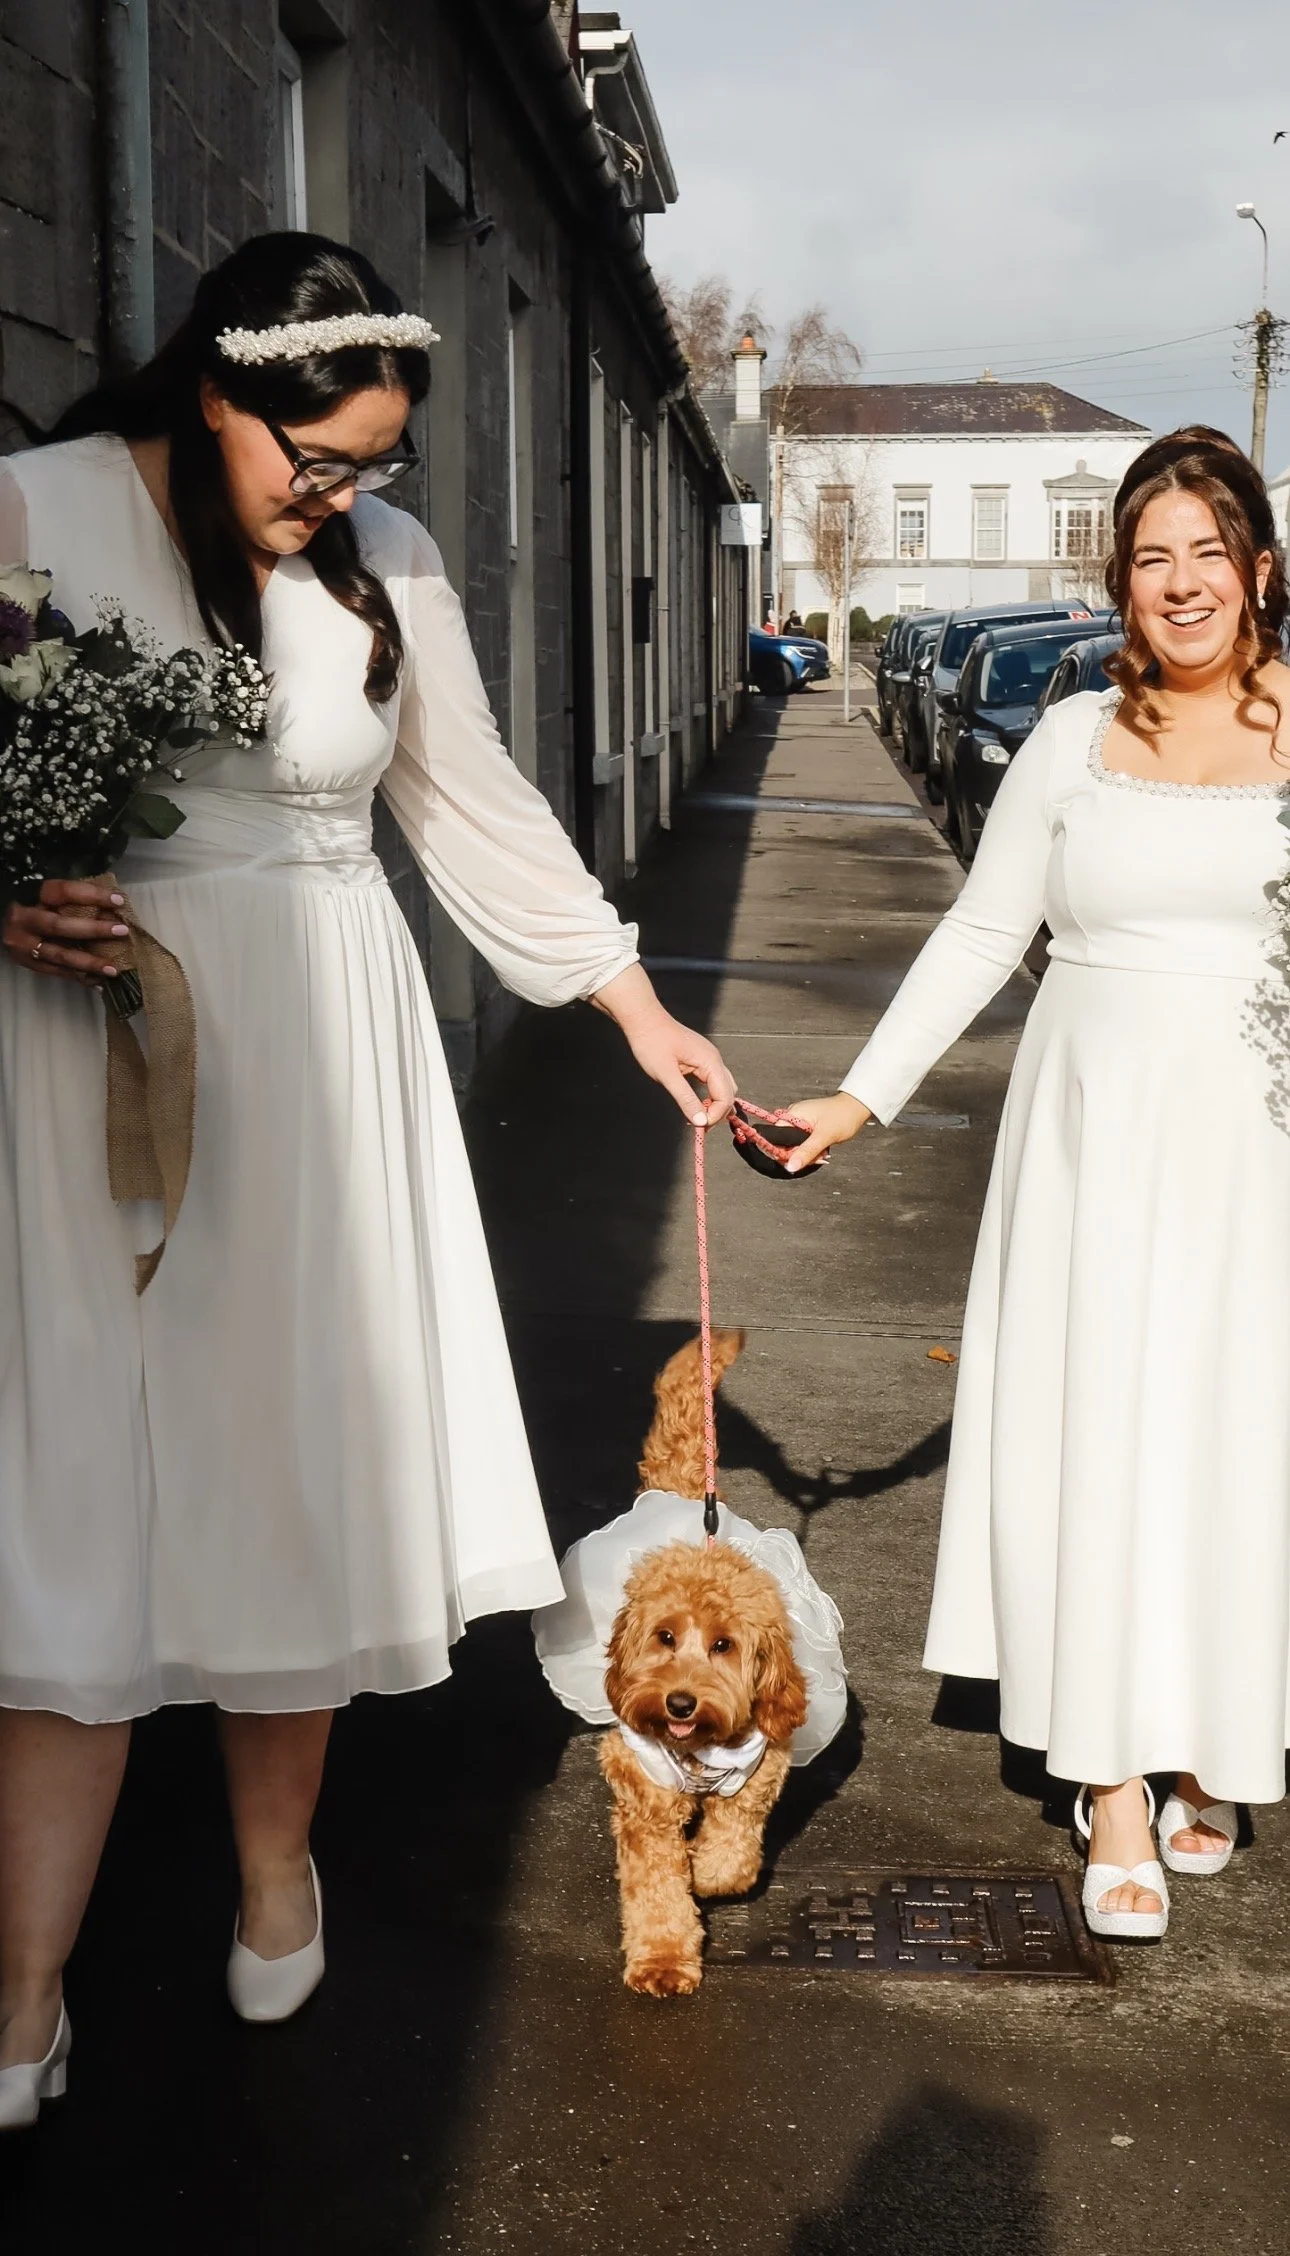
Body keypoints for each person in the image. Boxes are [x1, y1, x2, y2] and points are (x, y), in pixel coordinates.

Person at [0, 231, 735, 2123]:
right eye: (313, 457)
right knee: (77, 1487)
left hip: (325, 1060)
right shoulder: (37, 510)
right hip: (82, 1046)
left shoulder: (383, 564)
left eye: (371, 463)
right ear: (214, 394)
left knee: (289, 1461)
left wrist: (632, 1005)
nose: (340, 493)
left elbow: (472, 801)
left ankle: (274, 1874)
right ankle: (23, 1985)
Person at [786, 428, 1290, 1942]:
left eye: (1208, 552)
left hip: (1254, 1149)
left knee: (1226, 1438)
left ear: (1260, 568)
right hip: (1092, 1138)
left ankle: (1209, 1739)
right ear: (1120, 583)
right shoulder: (1074, 739)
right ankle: (1112, 1784)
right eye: (1151, 558)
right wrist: (859, 1096)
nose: (1181, 583)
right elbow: (980, 932)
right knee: (1104, 1433)